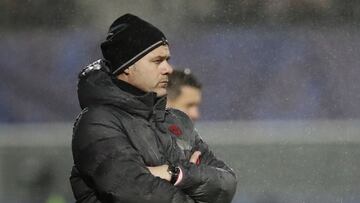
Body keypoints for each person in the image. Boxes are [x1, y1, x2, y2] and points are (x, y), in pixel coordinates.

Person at [70, 13, 237, 203]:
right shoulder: (96, 123)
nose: (169, 69)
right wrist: (196, 186)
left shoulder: (178, 121)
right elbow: (137, 193)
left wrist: (176, 174)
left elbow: (226, 185)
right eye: (158, 61)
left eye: (167, 59)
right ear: (127, 67)